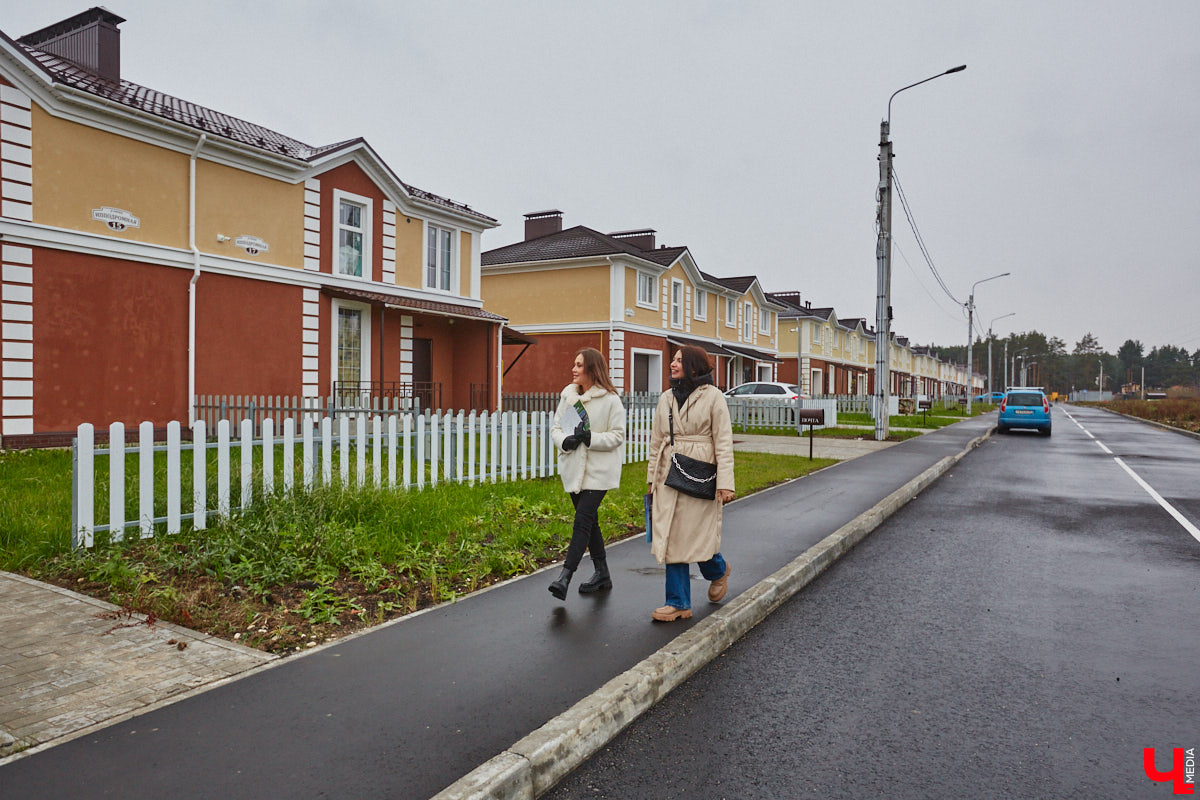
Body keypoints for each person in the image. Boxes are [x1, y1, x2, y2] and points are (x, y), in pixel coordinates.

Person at [646, 345, 735, 621]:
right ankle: (678, 603)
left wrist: (726, 482)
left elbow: (723, 441)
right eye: (672, 359)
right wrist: (651, 478)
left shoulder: (714, 398)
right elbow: (657, 439)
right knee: (672, 536)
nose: (672, 364)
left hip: (701, 470)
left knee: (696, 535)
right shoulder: (666, 398)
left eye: (679, 360)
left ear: (694, 366)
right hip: (669, 471)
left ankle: (717, 570)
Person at [547, 347, 626, 600]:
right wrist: (566, 441)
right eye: (574, 364)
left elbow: (617, 436)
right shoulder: (569, 397)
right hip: (573, 469)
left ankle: (564, 577)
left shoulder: (611, 400)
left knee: (582, 521)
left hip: (598, 472)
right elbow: (556, 427)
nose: (573, 369)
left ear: (592, 369)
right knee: (590, 523)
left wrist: (590, 437)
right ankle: (602, 573)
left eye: (579, 365)